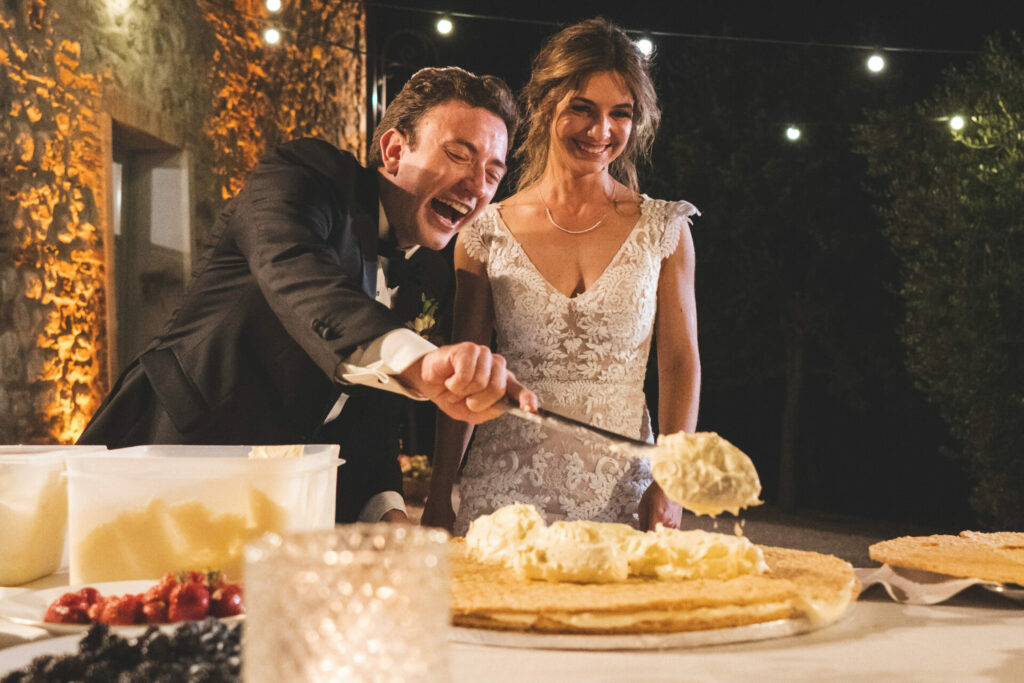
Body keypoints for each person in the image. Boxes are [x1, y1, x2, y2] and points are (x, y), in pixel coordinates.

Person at [78, 67, 537, 524]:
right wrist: (420, 361)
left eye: (493, 173)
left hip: (277, 508)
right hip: (166, 464)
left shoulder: (423, 272)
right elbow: (299, 272)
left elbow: (368, 416)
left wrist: (388, 515)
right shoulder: (306, 177)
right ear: (395, 150)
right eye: (459, 155)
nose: (477, 186)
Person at [422, 18, 701, 535]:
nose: (601, 132)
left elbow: (680, 366)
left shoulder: (664, 229)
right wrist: (440, 495)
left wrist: (673, 480)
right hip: (503, 498)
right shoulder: (484, 232)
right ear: (545, 104)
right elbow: (463, 375)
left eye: (621, 114)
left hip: (624, 495)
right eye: (582, 109)